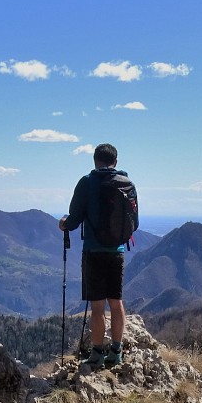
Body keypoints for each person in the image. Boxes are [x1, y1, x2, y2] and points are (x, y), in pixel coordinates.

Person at [58, 142, 135, 370]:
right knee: (116, 301)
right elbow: (133, 221)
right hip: (118, 252)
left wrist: (63, 225)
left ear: (95, 160)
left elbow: (74, 219)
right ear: (116, 162)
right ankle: (117, 351)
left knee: (98, 307)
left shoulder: (87, 182)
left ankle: (97, 354)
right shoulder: (127, 184)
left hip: (93, 251)